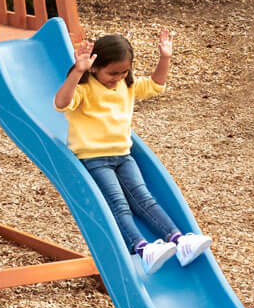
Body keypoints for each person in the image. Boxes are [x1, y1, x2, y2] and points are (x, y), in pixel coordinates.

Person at [53, 30, 212, 273]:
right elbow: (61, 103)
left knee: (144, 199)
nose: (118, 77)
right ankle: (142, 248)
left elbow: (156, 85)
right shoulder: (85, 88)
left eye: (124, 72)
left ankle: (180, 241)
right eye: (112, 72)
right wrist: (78, 70)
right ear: (95, 67)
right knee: (118, 204)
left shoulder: (126, 86)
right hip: (94, 159)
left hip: (123, 156)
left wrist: (165, 58)